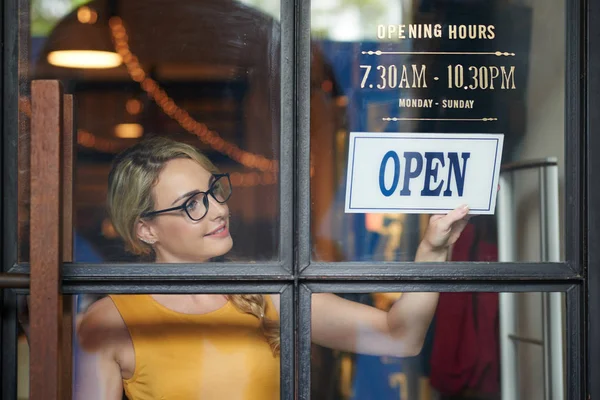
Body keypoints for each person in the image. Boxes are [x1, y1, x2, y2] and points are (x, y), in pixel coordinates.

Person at [76, 136, 471, 400]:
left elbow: (398, 337)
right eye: (192, 204)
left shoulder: (268, 290)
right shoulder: (108, 321)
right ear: (145, 229)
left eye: (214, 191)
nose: (219, 209)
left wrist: (432, 250)